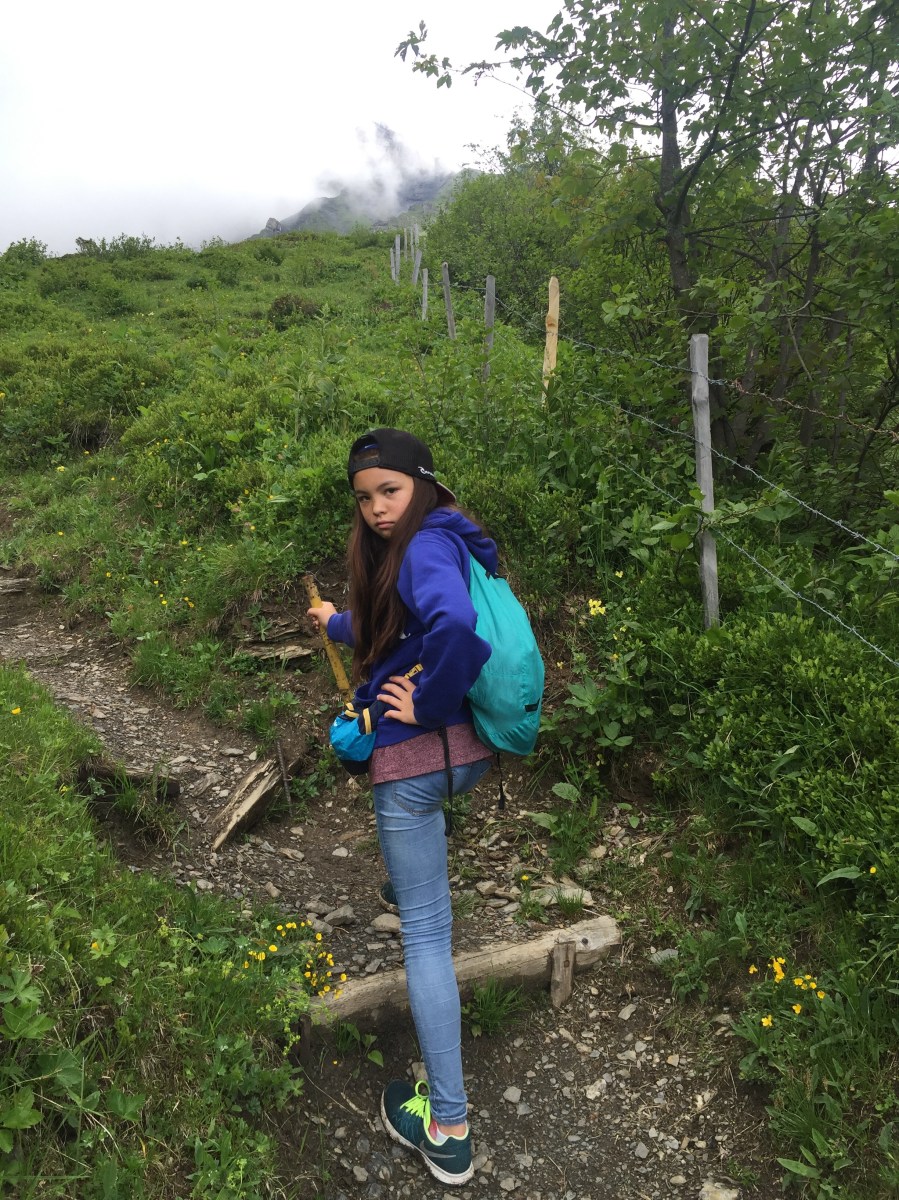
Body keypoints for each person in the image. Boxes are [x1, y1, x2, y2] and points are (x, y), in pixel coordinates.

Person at [307, 428, 496, 1187]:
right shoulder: (442, 539)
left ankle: (446, 1129)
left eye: (389, 490)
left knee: (426, 939)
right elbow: (397, 626)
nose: (377, 508)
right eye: (364, 497)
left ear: (422, 482)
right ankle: (406, 878)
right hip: (467, 759)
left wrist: (425, 704)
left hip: (417, 762)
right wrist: (335, 624)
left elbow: (455, 628)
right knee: (418, 879)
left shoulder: (421, 549)